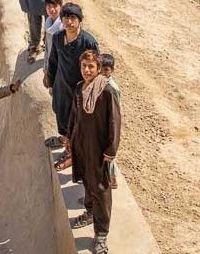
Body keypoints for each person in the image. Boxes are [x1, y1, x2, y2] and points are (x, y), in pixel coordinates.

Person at [69, 49, 121, 254]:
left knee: (101, 188)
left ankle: (101, 235)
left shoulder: (106, 91)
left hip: (99, 148)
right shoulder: (80, 87)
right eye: (84, 66)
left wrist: (111, 149)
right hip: (81, 144)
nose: (87, 70)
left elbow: (114, 121)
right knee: (87, 181)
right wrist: (69, 137)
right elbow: (75, 114)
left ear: (99, 69)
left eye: (91, 66)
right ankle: (89, 213)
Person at [45, 3, 98, 169]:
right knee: (61, 114)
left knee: (76, 120)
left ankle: (72, 152)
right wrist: (52, 83)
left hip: (79, 90)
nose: (69, 22)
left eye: (73, 18)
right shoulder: (58, 38)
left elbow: (97, 68)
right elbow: (53, 62)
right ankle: (66, 139)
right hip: (61, 87)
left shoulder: (88, 42)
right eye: (66, 18)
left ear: (79, 21)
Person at [42, 0, 65, 150]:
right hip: (52, 72)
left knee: (63, 108)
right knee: (57, 107)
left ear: (60, 7)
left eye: (55, 6)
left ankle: (65, 142)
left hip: (60, 74)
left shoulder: (61, 29)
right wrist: (45, 71)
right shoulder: (49, 24)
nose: (52, 9)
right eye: (49, 6)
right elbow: (48, 50)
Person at [98, 53, 121, 189]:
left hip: (108, 128)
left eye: (106, 70)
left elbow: (115, 115)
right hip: (102, 126)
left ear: (112, 70)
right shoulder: (99, 83)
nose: (103, 72)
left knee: (107, 158)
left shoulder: (112, 89)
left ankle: (110, 180)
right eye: (101, 69)